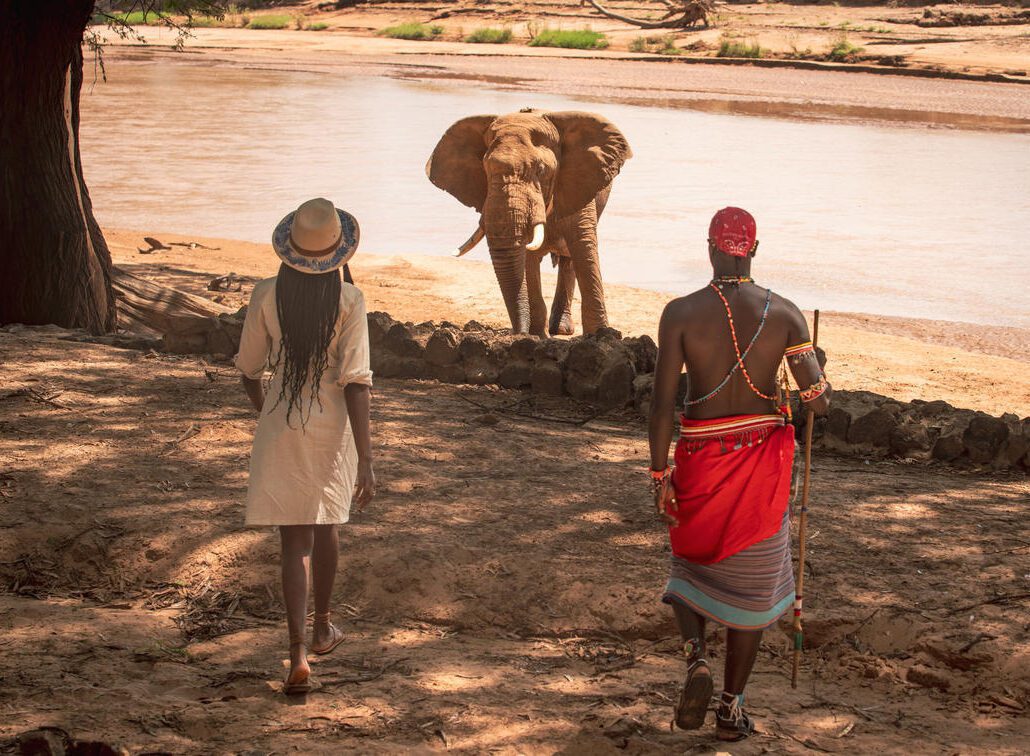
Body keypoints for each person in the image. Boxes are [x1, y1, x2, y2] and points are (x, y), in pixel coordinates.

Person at [647, 207, 831, 741]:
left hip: (699, 462)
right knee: (752, 588)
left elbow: (662, 407)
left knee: (688, 568)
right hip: (759, 467)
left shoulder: (679, 313)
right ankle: (731, 706)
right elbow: (818, 403)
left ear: (710, 247)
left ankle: (694, 661)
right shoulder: (788, 315)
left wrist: (661, 475)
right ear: (753, 249)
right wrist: (816, 361)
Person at [235, 197, 376, 695]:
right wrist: (367, 458)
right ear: (339, 255)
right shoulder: (350, 302)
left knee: (294, 541)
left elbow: (249, 369)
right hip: (332, 427)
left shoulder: (266, 294)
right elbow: (356, 382)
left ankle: (296, 652)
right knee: (327, 524)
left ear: (289, 251)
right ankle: (322, 630)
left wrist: (266, 410)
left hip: (280, 421)